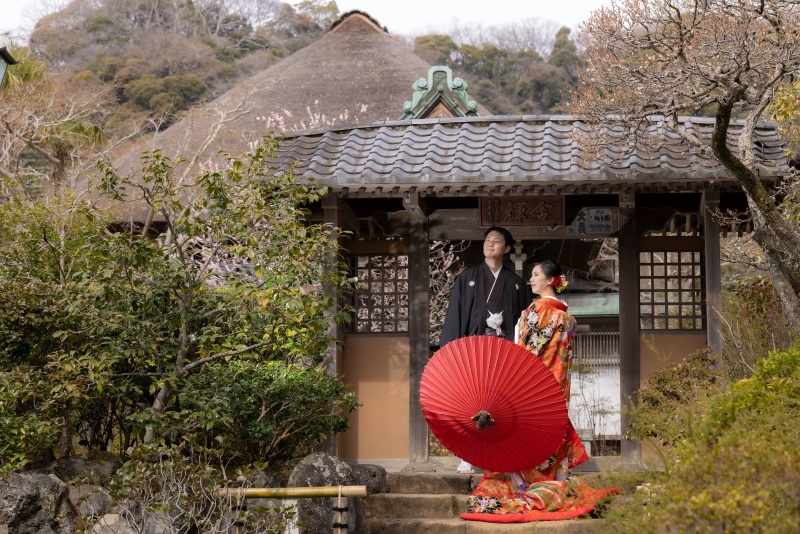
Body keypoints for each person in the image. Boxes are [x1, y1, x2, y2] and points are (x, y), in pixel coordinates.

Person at [461, 260, 617, 522]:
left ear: (550, 280)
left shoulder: (534, 311)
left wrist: (507, 384)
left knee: (524, 438)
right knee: (551, 438)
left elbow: (524, 354)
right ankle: (554, 485)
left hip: (532, 387)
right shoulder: (567, 316)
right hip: (555, 390)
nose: (530, 280)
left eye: (535, 275)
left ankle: (525, 487)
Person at [439, 226, 532, 473]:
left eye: (497, 241)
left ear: (507, 248)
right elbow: (455, 315)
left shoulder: (516, 284)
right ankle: (467, 455)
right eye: (488, 240)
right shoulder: (466, 278)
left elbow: (525, 322)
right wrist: (452, 350)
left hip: (505, 353)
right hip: (473, 351)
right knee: (471, 401)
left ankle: (503, 451)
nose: (490, 244)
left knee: (504, 403)